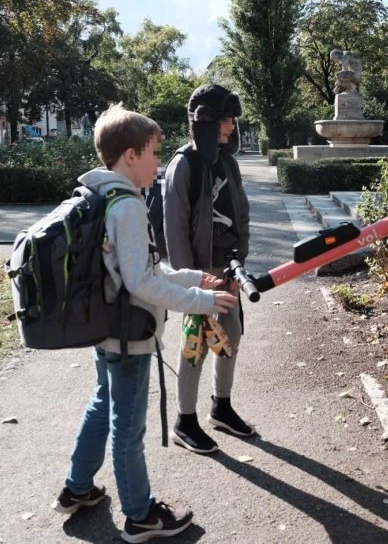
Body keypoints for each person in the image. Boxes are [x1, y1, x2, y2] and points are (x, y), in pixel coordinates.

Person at [55, 103, 238, 542]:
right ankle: (140, 515)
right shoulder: (129, 208)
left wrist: (194, 276)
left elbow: (143, 270)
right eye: (154, 152)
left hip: (105, 325)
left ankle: (77, 488)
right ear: (131, 156)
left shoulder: (105, 197)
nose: (159, 162)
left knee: (103, 403)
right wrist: (202, 299)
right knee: (128, 426)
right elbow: (141, 283)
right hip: (129, 335)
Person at [163, 84, 253, 454]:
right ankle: (185, 420)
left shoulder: (228, 163)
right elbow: (174, 229)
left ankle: (222, 405)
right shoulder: (183, 165)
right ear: (208, 121)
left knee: (230, 337)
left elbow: (240, 213)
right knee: (194, 347)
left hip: (227, 269)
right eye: (228, 119)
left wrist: (239, 263)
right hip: (199, 274)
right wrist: (191, 282)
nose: (232, 127)